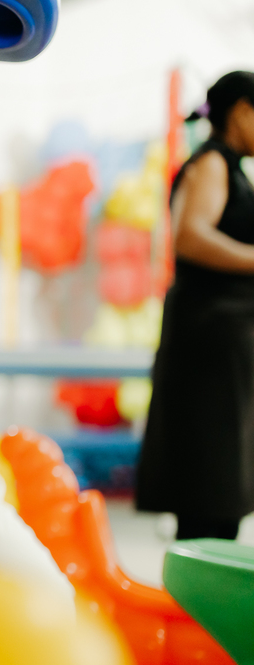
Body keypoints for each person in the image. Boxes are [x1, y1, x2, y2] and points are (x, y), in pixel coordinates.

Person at [138, 71, 254, 540]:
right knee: (209, 485)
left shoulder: (230, 167)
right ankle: (200, 576)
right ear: (242, 112)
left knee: (222, 484)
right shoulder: (212, 163)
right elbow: (189, 236)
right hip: (209, 344)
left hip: (223, 344)